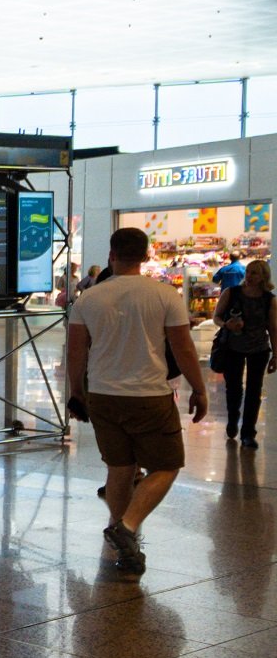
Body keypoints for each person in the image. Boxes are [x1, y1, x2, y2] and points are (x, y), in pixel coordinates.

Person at [66, 227, 208, 577]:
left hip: (103, 395)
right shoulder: (164, 295)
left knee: (120, 467)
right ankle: (126, 528)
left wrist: (76, 392)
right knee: (166, 466)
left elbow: (75, 352)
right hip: (148, 396)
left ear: (112, 255)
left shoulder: (88, 299)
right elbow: (183, 348)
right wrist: (199, 388)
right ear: (146, 257)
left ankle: (121, 531)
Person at [214, 257, 275, 450]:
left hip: (259, 348)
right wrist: (226, 324)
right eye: (248, 272)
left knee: (254, 390)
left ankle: (248, 432)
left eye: (254, 273)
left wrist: (276, 354)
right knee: (233, 388)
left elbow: (273, 327)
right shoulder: (231, 293)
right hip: (232, 347)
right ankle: (233, 420)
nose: (249, 276)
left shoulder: (269, 300)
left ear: (263, 276)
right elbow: (216, 317)